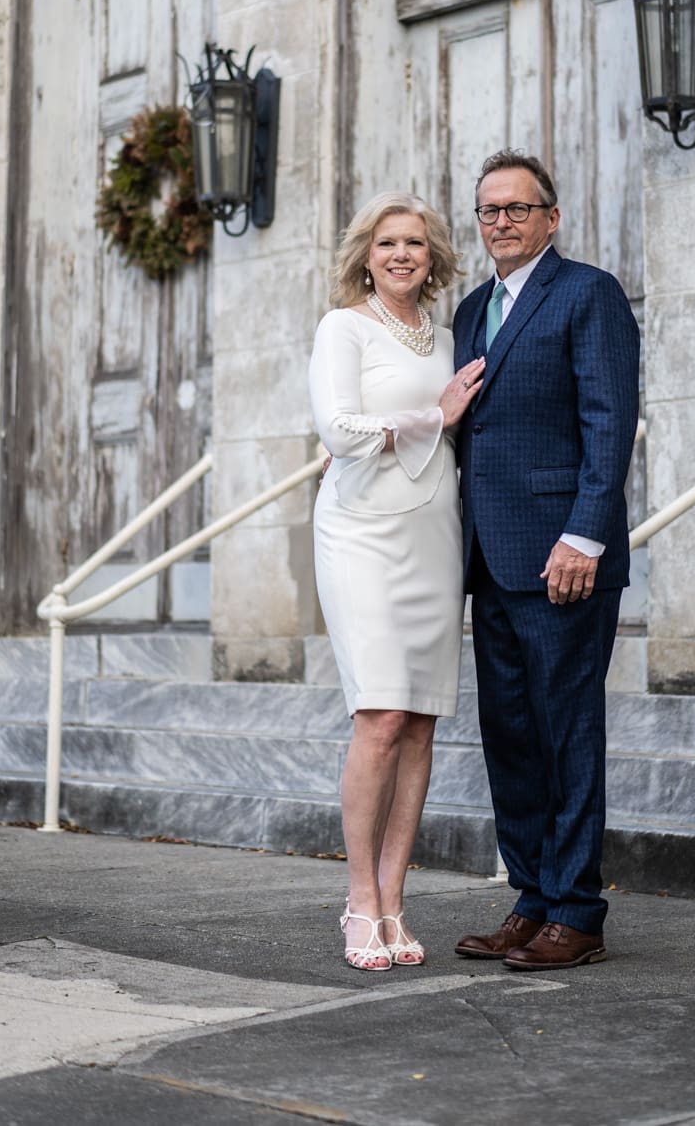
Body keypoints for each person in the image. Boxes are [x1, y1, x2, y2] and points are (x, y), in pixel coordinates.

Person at [452, 150, 640, 971]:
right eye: (489, 211)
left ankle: (577, 911)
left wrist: (586, 535)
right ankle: (531, 900)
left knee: (566, 735)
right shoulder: (469, 309)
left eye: (517, 209)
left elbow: (610, 420)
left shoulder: (587, 293)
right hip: (488, 559)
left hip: (563, 556)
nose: (501, 222)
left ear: (549, 218)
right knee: (512, 738)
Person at [309, 193, 484, 971]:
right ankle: (356, 903)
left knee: (419, 723)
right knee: (379, 714)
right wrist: (430, 419)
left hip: (431, 531)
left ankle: (393, 900)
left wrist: (436, 424)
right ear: (367, 254)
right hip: (360, 534)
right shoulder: (343, 327)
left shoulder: (451, 337)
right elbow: (336, 431)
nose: (402, 254)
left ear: (433, 256)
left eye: (415, 242)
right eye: (388, 243)